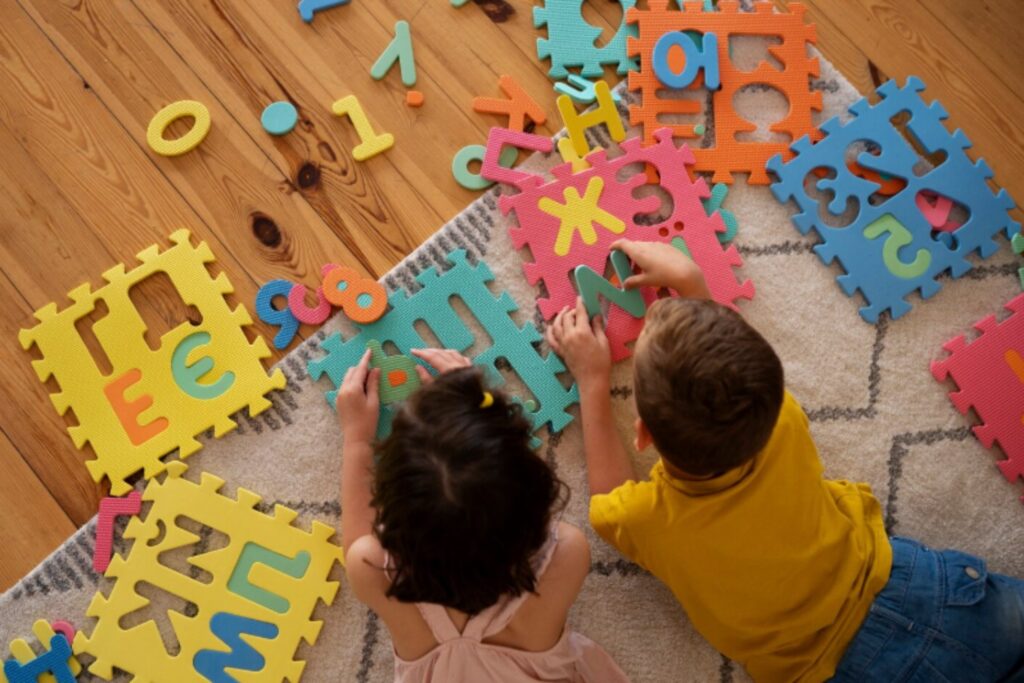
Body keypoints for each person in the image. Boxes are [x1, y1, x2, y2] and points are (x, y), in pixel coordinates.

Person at [546, 239, 1024, 682]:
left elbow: (605, 501)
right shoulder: (782, 421)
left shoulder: (647, 517)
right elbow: (741, 368)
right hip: (927, 590)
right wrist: (694, 284)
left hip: (840, 670)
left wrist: (592, 380)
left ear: (643, 434)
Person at [336, 347, 630, 682]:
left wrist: (356, 439)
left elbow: (356, 544)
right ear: (532, 497)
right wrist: (477, 401)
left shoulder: (374, 571)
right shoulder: (566, 554)